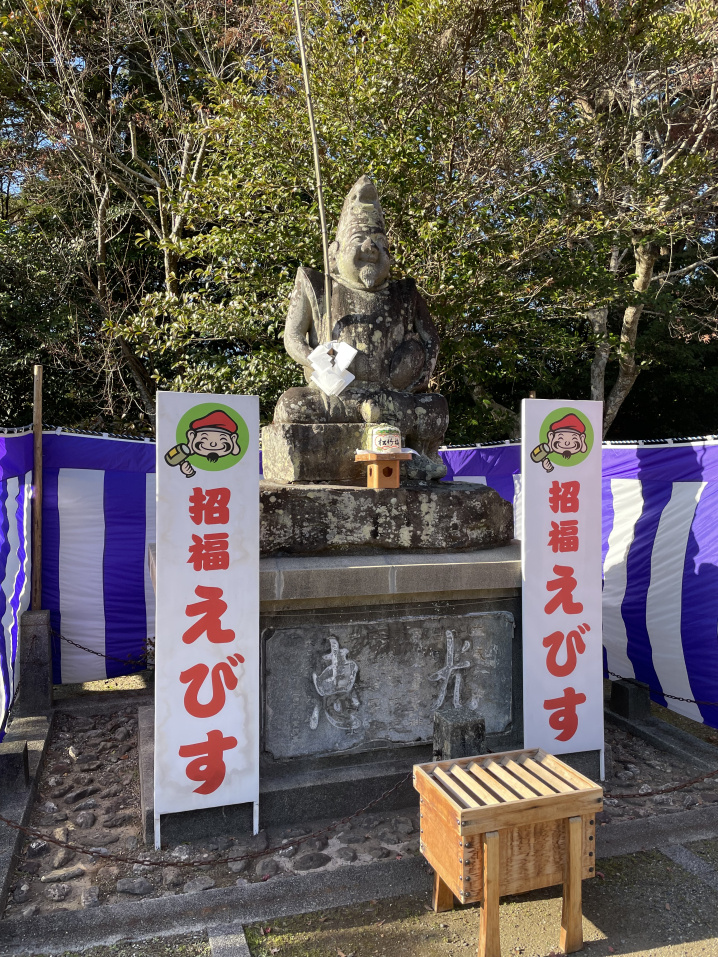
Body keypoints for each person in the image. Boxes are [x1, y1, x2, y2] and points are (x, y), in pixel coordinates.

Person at [274, 175, 449, 481]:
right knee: (292, 404)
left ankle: (416, 455)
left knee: (435, 407)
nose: (371, 248)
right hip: (338, 396)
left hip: (392, 396)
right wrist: (316, 359)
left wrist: (419, 375)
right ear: (334, 251)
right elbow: (292, 337)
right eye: (359, 242)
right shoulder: (318, 286)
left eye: (381, 244)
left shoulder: (405, 294)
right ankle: (376, 447)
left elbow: (431, 339)